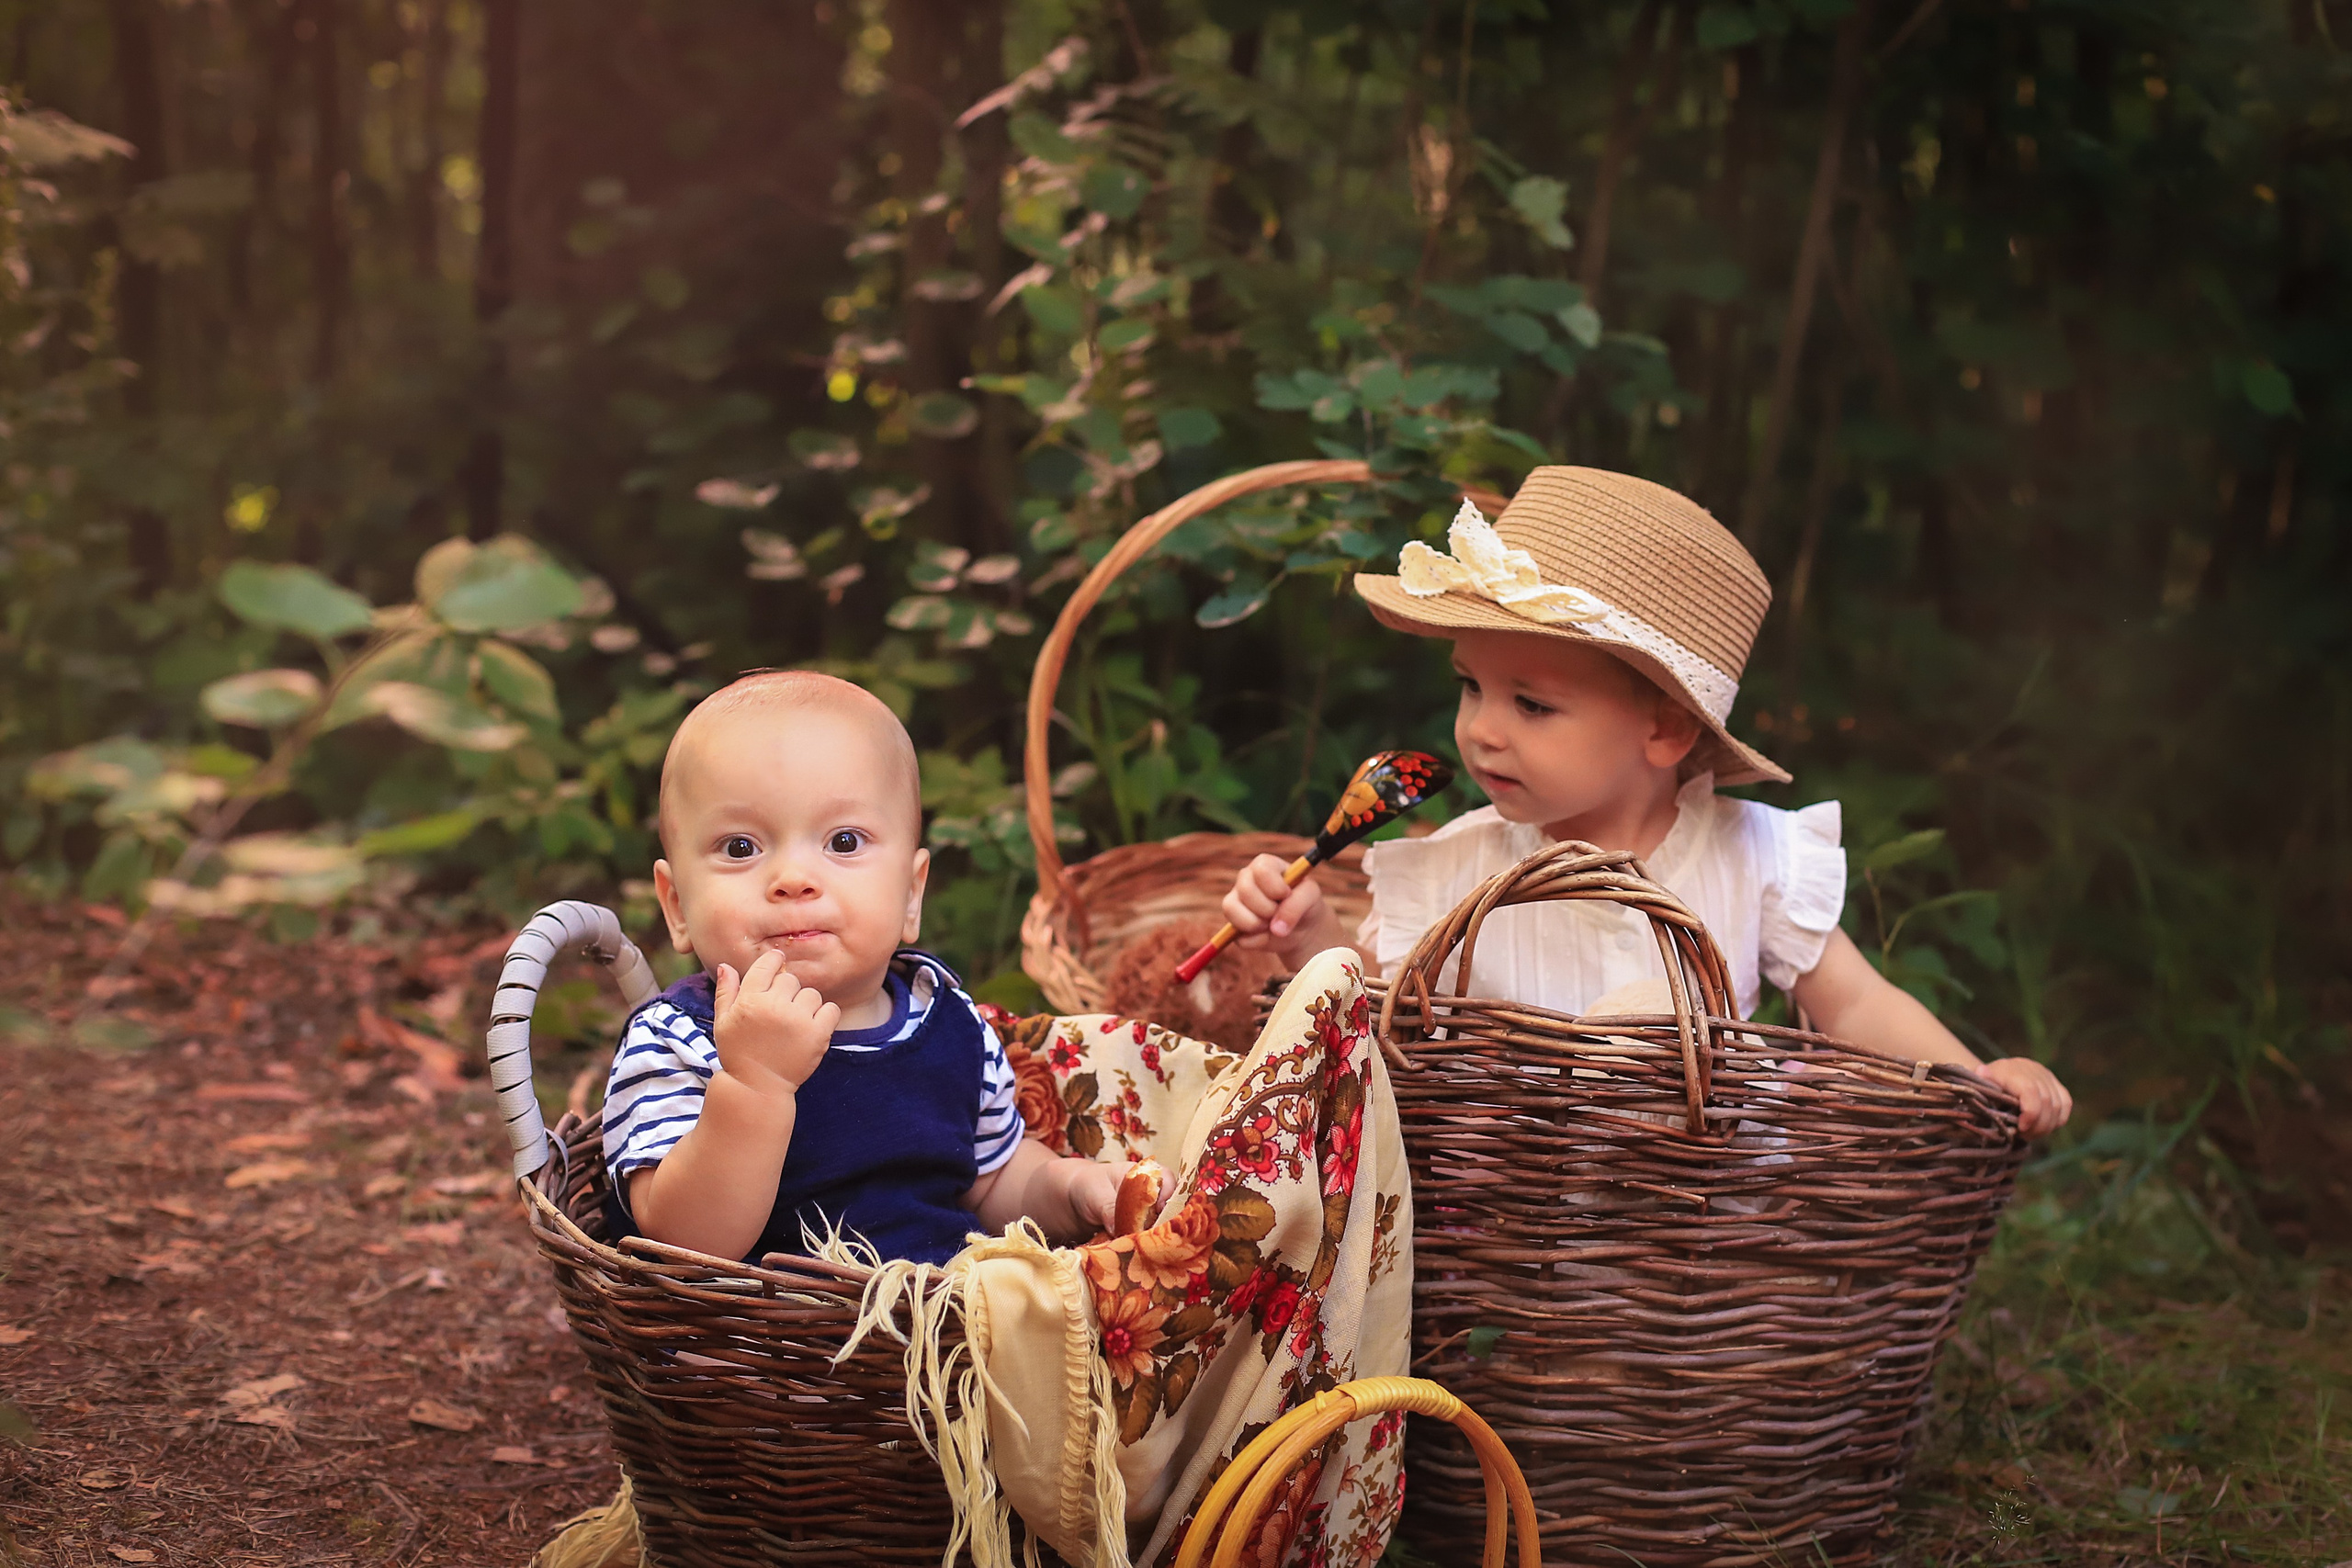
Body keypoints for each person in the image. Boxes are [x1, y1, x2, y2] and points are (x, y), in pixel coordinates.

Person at [1219, 466, 2073, 1135]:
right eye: (1470, 686)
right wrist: (1311, 939)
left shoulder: (1750, 855)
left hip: (1703, 1224)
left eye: (1531, 704)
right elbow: (1381, 1017)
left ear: (1664, 729)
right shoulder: (1460, 870)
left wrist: (1978, 1078)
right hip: (1507, 1221)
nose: (1480, 730)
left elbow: (1854, 1004)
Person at [601, 670, 1122, 1266]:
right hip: (769, 1324)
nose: (794, 878)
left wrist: (1068, 1188)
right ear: (676, 906)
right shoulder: (676, 1039)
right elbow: (678, 1244)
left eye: (844, 842)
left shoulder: (951, 1024)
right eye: (741, 847)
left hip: (941, 1316)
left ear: (911, 894)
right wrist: (753, 1085)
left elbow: (992, 1182)